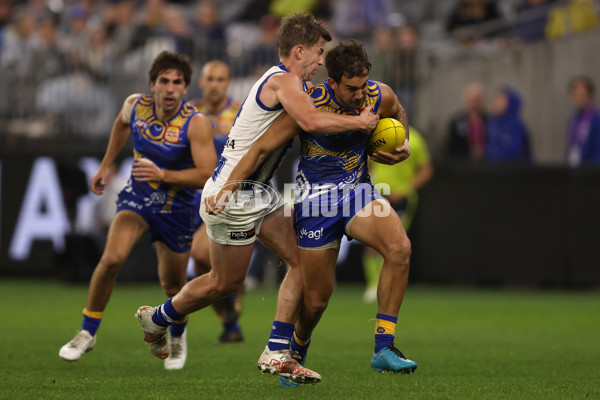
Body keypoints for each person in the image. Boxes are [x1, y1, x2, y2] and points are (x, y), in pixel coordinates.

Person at [134, 13, 379, 384]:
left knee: (297, 261)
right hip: (233, 194)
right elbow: (312, 122)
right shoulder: (283, 81)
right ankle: (158, 319)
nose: (320, 61)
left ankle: (274, 350)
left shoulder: (288, 83)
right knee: (224, 283)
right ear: (299, 50)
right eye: (317, 52)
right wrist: (361, 123)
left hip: (255, 192)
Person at [205, 39, 416, 383]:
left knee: (400, 248)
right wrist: (229, 186)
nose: (361, 95)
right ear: (331, 82)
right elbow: (262, 148)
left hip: (357, 191)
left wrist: (399, 141)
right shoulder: (309, 104)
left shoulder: (380, 94)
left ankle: (384, 348)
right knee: (316, 301)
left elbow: (399, 113)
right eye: (352, 88)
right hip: (314, 202)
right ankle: (295, 353)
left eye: (364, 85)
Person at [59, 51, 216, 372]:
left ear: (185, 88)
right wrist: (105, 165)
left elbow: (206, 174)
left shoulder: (195, 123)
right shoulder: (135, 105)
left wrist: (163, 175)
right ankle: (87, 332)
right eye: (164, 81)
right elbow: (120, 125)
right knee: (112, 258)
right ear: (152, 84)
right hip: (138, 199)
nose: (170, 88)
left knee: (173, 287)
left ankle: (177, 336)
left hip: (177, 209)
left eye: (177, 82)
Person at [191, 60, 245, 343]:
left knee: (202, 254)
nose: (214, 84)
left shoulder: (240, 113)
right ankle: (228, 320)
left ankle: (231, 312)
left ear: (228, 83)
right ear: (201, 82)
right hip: (192, 195)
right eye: (209, 78)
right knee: (202, 265)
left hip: (229, 197)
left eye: (220, 79)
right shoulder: (188, 112)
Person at [363, 126, 433, 303]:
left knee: (395, 243)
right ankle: (373, 286)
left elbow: (426, 169)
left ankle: (390, 285)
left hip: (402, 199)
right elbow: (367, 165)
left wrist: (406, 189)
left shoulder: (414, 139)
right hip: (377, 195)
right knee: (372, 241)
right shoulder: (376, 134)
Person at [485, 86, 532, 163]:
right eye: (496, 99)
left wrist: (489, 154)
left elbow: (514, 152)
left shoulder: (516, 126)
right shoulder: (492, 122)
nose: (496, 103)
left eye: (500, 100)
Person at [446, 82, 488, 163]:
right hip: (463, 166)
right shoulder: (456, 122)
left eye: (477, 100)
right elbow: (451, 148)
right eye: (471, 100)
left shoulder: (489, 120)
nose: (474, 104)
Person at [566, 76, 600, 166]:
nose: (578, 98)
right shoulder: (573, 118)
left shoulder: (595, 119)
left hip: (590, 171)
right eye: (575, 94)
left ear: (589, 95)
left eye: (581, 95)